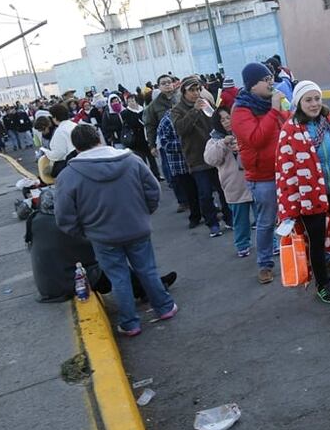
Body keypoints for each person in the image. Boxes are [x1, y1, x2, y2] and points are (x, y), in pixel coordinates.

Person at [54, 124, 177, 337]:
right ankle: (164, 307)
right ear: (99, 138)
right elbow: (153, 190)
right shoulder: (131, 161)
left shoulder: (69, 175)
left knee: (119, 278)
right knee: (147, 269)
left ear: (76, 147)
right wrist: (144, 213)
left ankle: (130, 323)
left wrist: (82, 232)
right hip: (137, 227)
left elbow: (64, 214)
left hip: (102, 235)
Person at [27, 188, 176, 303]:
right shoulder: (60, 225)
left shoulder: (36, 220)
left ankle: (151, 286)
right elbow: (91, 246)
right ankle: (150, 290)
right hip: (65, 282)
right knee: (112, 265)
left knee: (109, 265)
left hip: (48, 284)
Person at [276, 81, 330, 303]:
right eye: (308, 100)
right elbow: (285, 170)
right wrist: (290, 204)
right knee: (316, 241)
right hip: (310, 197)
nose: (314, 104)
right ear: (299, 102)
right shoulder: (290, 130)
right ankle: (323, 285)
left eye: (317, 98)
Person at [232, 62, 287, 285]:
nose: (271, 82)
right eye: (266, 79)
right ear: (252, 85)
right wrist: (274, 110)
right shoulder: (241, 110)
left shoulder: (272, 103)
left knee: (299, 216)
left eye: (271, 77)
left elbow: (289, 125)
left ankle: (311, 257)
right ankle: (265, 264)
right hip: (263, 176)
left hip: (285, 170)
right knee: (266, 222)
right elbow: (256, 139)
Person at [171, 76, 232, 238]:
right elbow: (181, 129)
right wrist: (194, 111)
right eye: (191, 90)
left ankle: (229, 218)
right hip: (196, 157)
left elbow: (216, 123)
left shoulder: (207, 102)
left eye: (198, 89)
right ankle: (212, 223)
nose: (196, 93)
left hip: (214, 153)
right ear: (184, 92)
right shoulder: (177, 110)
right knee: (205, 193)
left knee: (223, 189)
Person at [205, 107, 253, 258]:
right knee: (240, 219)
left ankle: (272, 244)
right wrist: (222, 144)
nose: (226, 122)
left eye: (228, 118)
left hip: (253, 180)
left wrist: (241, 147)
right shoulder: (214, 140)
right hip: (234, 185)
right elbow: (211, 160)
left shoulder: (244, 131)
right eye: (222, 120)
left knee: (264, 218)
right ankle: (242, 245)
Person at [158, 108, 201, 227]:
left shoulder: (190, 115)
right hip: (180, 164)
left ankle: (207, 212)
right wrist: (185, 145)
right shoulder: (166, 121)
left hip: (195, 160)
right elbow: (165, 143)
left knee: (203, 189)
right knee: (190, 192)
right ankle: (195, 216)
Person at [121, 94, 161, 180]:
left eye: (133, 100)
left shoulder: (143, 110)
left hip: (146, 137)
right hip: (136, 139)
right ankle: (146, 177)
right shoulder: (125, 113)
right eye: (129, 101)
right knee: (141, 159)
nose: (131, 103)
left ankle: (156, 175)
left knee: (151, 158)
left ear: (136, 101)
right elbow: (129, 124)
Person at [143, 74, 178, 162]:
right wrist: (152, 146)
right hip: (167, 143)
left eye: (169, 82)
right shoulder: (153, 105)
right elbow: (150, 126)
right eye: (163, 83)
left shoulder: (180, 98)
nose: (167, 85)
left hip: (185, 139)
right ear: (159, 87)